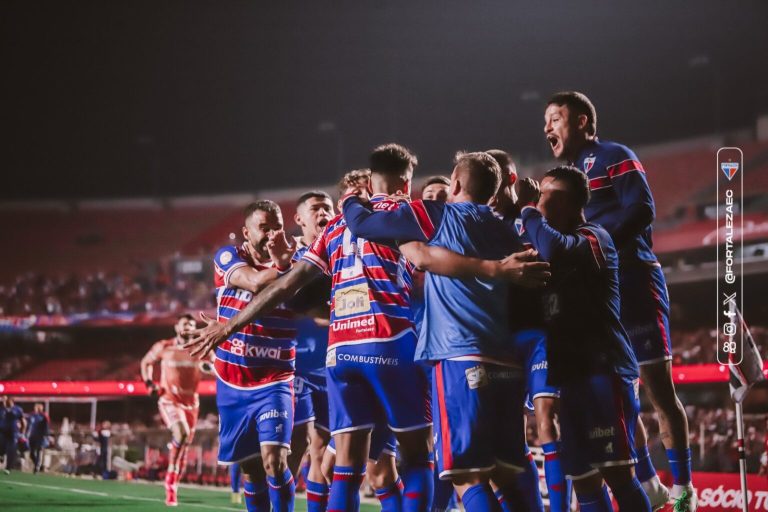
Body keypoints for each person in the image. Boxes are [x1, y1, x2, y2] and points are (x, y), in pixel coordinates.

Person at [187, 145, 437, 512]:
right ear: (406, 181)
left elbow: (285, 287)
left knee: (344, 466)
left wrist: (227, 328)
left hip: (340, 353)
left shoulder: (334, 230)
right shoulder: (407, 212)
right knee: (416, 456)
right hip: (389, 340)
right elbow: (429, 255)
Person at [341, 151, 552, 512]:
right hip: (507, 367)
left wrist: (349, 200)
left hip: (460, 358)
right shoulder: (505, 230)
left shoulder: (434, 214)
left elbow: (363, 225)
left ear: (454, 183)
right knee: (504, 473)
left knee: (468, 477)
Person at [544, 91, 696, 511]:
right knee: (620, 396)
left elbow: (642, 208)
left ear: (581, 120)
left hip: (633, 282)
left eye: (554, 118)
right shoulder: (564, 177)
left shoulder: (613, 155)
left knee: (659, 393)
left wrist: (601, 251)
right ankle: (648, 482)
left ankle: (683, 491)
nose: (547, 128)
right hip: (596, 298)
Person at [516, 166, 651, 511]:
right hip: (571, 376)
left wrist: (527, 208)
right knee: (584, 479)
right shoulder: (546, 246)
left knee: (618, 474)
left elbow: (557, 249)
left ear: (565, 201)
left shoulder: (595, 237)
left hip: (605, 372)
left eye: (545, 196)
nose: (540, 203)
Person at [194, 200, 297, 512]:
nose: (271, 234)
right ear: (246, 232)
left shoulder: (300, 260)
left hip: (274, 378)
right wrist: (283, 267)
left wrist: (287, 265)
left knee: (275, 462)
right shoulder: (227, 257)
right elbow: (253, 282)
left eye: (276, 227)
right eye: (263, 228)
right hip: (232, 380)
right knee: (251, 468)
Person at [487, 148, 570, 511]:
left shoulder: (534, 213)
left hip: (541, 332)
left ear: (511, 177)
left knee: (547, 416)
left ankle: (561, 507)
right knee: (508, 437)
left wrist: (530, 209)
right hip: (501, 339)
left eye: (501, 175)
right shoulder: (479, 221)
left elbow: (559, 254)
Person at [141, 313, 209, 506]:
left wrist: (209, 368)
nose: (188, 327)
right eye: (185, 324)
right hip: (169, 400)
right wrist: (149, 383)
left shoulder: (200, 347)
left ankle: (172, 484)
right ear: (177, 328)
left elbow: (216, 366)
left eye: (192, 324)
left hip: (191, 404)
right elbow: (146, 362)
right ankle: (170, 478)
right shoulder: (164, 346)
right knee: (181, 433)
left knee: (184, 445)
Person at [0, 396, 25, 474]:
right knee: (1, 446)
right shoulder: (2, 409)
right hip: (2, 432)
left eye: (8, 400)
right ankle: (1, 455)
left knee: (11, 450)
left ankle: (8, 468)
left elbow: (23, 421)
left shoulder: (18, 409)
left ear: (12, 401)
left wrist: (22, 433)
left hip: (13, 433)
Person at [26, 403, 50, 474]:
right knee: (31, 453)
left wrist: (46, 435)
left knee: (39, 451)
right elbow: (26, 419)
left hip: (40, 437)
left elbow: (47, 424)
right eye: (36, 407)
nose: (37, 409)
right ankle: (38, 464)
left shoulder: (43, 416)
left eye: (39, 407)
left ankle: (37, 467)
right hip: (32, 436)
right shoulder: (32, 415)